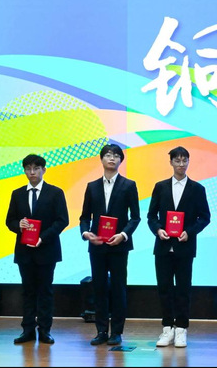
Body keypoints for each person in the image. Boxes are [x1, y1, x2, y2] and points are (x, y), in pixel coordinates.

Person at [147, 146, 211, 348]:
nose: (181, 164)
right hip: (163, 246)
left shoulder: (197, 189)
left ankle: (182, 329)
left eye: (184, 160)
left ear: (188, 162)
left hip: (185, 247)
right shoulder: (160, 187)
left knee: (183, 289)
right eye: (177, 160)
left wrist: (189, 232)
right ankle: (167, 328)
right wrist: (158, 230)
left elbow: (205, 217)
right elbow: (151, 216)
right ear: (171, 163)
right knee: (164, 288)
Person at [80, 144, 141, 346]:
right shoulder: (92, 186)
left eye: (116, 155)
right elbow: (84, 217)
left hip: (118, 245)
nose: (112, 158)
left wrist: (123, 235)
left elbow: (135, 217)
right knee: (99, 288)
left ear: (121, 160)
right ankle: (101, 331)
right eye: (108, 155)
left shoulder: (129, 185)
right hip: (97, 245)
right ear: (101, 159)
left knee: (118, 288)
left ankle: (116, 332)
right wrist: (86, 233)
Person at [6, 154, 69, 345]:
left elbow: (62, 220)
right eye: (28, 169)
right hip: (24, 251)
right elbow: (9, 221)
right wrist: (19, 225)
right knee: (27, 292)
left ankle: (44, 330)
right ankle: (27, 330)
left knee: (45, 291)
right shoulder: (17, 193)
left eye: (36, 168)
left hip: (47, 250)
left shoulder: (55, 192)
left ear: (44, 170)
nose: (32, 172)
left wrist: (43, 237)